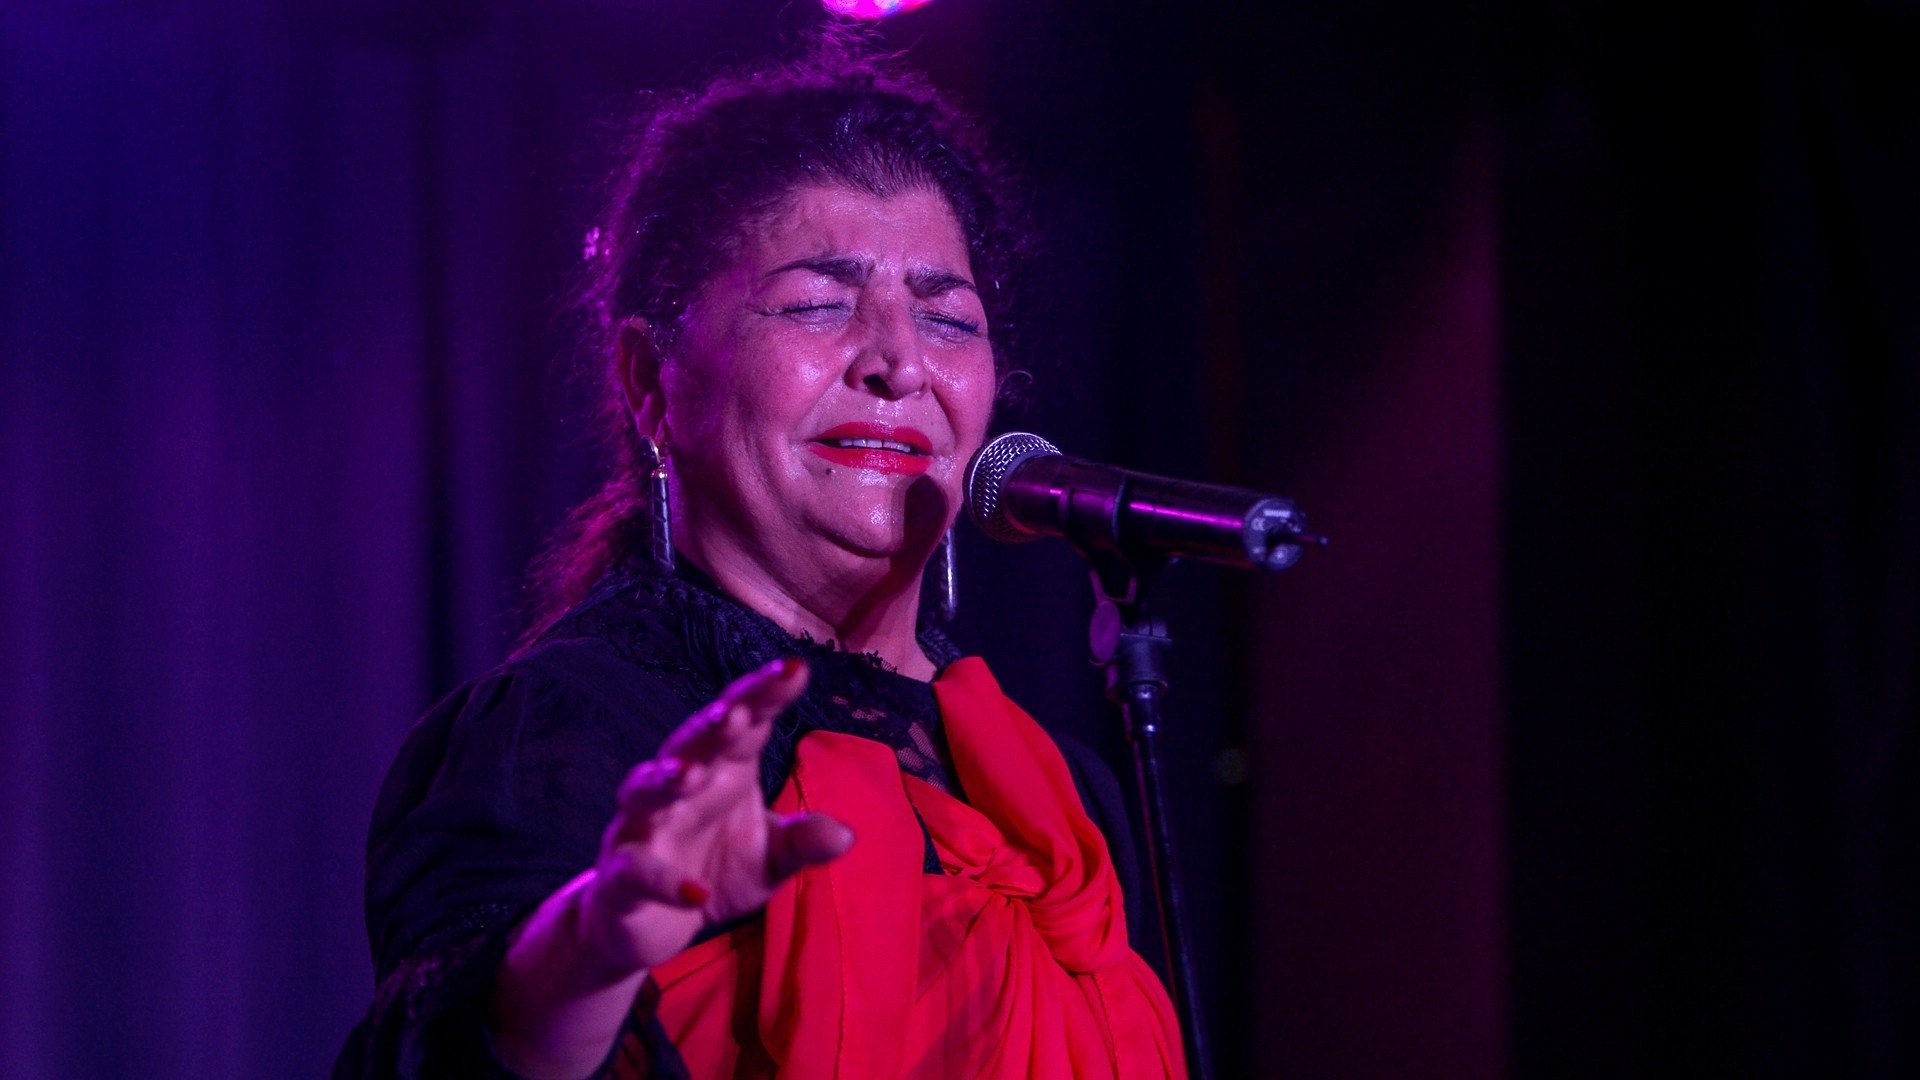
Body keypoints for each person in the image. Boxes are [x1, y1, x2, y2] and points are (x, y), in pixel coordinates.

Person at [337, 33, 1184, 1079]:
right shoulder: (579, 731)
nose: (899, 361)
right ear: (651, 382)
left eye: (948, 318)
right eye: (819, 305)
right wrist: (592, 948)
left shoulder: (1065, 791)